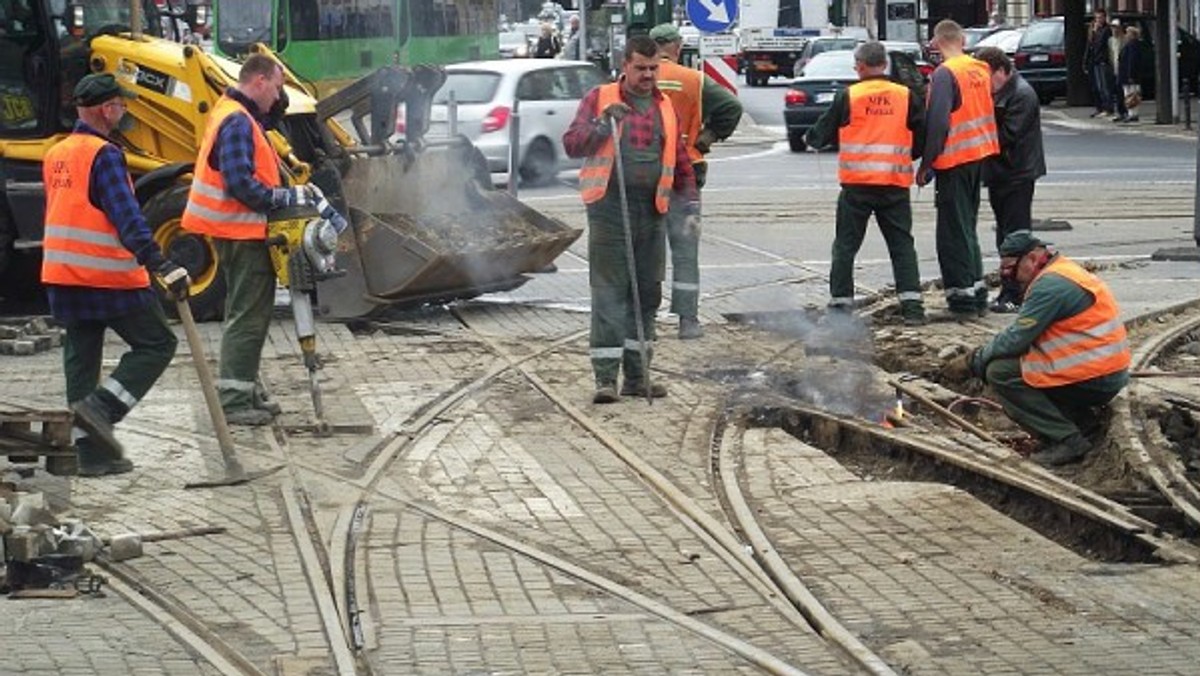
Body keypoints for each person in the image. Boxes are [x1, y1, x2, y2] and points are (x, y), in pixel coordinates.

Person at [182, 54, 344, 426]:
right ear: (257, 82)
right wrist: (282, 198)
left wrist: (282, 93)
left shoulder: (238, 113)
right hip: (241, 231)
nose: (278, 95)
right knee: (249, 316)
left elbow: (268, 120)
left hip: (238, 230)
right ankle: (235, 400)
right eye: (275, 86)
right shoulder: (237, 122)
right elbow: (241, 184)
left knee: (248, 312)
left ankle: (245, 388)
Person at [41, 73, 187, 476]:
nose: (124, 111)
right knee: (157, 344)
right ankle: (102, 408)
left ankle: (91, 456)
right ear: (107, 109)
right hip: (106, 277)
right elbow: (127, 218)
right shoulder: (103, 155)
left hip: (62, 274)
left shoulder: (57, 153)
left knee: (81, 360)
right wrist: (162, 263)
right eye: (122, 105)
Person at [563, 35, 699, 404]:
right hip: (609, 210)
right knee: (610, 293)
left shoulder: (665, 106)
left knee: (646, 294)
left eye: (653, 68)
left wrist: (689, 209)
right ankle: (606, 379)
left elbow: (680, 159)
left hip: (651, 211)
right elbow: (572, 143)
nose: (648, 75)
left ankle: (638, 377)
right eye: (641, 68)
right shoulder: (601, 98)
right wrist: (603, 127)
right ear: (625, 65)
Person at [944, 231, 1130, 467]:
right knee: (1023, 364)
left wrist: (974, 361)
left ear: (1032, 259)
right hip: (1100, 370)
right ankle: (1083, 424)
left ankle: (1067, 440)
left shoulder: (1050, 286)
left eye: (1011, 268)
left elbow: (1016, 339)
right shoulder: (1062, 271)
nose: (1009, 276)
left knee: (1001, 372)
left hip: (1094, 377)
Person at [803, 41, 926, 326]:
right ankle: (913, 309)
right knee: (902, 246)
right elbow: (922, 135)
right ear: (884, 64)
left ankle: (840, 308)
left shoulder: (849, 96)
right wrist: (909, 156)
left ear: (859, 66)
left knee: (846, 246)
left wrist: (812, 139)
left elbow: (819, 135)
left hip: (857, 186)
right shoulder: (905, 96)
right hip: (895, 184)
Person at [649, 22, 743, 339]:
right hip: (685, 171)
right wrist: (707, 137)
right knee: (685, 246)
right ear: (676, 47)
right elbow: (732, 106)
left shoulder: (638, 77)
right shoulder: (693, 80)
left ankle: (644, 318)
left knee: (646, 245)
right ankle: (688, 320)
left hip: (645, 172)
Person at [917, 20, 999, 319]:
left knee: (953, 232)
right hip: (979, 155)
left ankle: (962, 299)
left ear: (935, 44)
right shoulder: (980, 69)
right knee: (967, 227)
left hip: (954, 161)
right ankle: (977, 293)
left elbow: (938, 123)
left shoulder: (944, 74)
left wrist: (926, 164)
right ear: (962, 39)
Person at [975, 46, 1046, 313]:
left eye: (987, 78)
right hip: (1002, 173)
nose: (984, 86)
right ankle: (1010, 288)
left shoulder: (1021, 95)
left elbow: (1007, 136)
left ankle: (1016, 291)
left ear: (1002, 72)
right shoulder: (1006, 92)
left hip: (1017, 173)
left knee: (1015, 235)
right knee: (1005, 233)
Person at [1084, 8, 1116, 118]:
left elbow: (1100, 44)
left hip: (1103, 60)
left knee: (1105, 86)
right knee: (1096, 87)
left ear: (1104, 18)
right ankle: (1100, 107)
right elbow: (1089, 46)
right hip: (1094, 61)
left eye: (1101, 18)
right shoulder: (1093, 30)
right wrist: (1085, 61)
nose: (1098, 20)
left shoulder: (1106, 30)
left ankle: (1108, 108)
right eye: (1097, 18)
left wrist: (1096, 32)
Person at [1117, 25, 1143, 123]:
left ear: (1132, 35)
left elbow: (1132, 61)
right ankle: (1131, 113)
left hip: (1130, 75)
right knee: (1129, 95)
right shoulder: (1130, 44)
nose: (1126, 35)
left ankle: (1133, 114)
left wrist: (1131, 75)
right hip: (1128, 74)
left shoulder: (1133, 45)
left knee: (1131, 95)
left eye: (1128, 33)